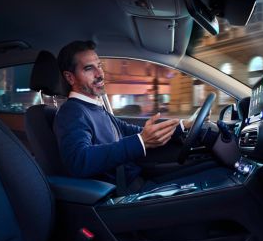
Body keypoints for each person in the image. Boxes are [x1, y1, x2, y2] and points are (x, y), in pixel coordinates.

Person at [53, 40, 196, 193]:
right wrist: (141, 141)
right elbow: (79, 161)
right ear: (70, 78)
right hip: (122, 193)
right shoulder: (71, 112)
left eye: (99, 66)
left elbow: (132, 131)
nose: (100, 74)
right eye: (89, 68)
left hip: (136, 181)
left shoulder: (97, 108)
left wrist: (184, 125)